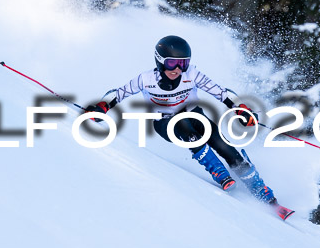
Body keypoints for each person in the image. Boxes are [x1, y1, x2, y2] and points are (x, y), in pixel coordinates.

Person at [85, 35, 278, 204]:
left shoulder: (191, 74)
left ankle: (259, 188)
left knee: (224, 146)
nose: (177, 69)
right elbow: (118, 94)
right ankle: (218, 171)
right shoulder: (146, 79)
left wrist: (240, 108)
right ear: (160, 61)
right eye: (172, 63)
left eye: (183, 63)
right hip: (165, 122)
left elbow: (221, 92)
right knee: (184, 125)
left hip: (195, 115)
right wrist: (102, 107)